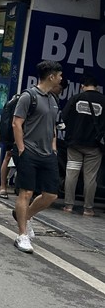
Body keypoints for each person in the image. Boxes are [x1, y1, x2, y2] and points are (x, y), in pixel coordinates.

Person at [11, 60, 63, 253]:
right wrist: (22, 148)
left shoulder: (53, 99)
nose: (61, 79)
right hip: (29, 151)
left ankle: (24, 215)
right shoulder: (28, 96)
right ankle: (22, 235)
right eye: (59, 75)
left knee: (51, 195)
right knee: (26, 192)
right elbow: (17, 124)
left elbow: (53, 126)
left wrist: (54, 147)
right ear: (51, 76)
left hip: (47, 153)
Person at [62, 74, 104, 217]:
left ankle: (68, 206)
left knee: (72, 173)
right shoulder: (103, 101)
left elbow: (64, 117)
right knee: (90, 177)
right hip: (94, 146)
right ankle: (88, 208)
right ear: (97, 87)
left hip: (75, 145)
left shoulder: (75, 98)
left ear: (82, 86)